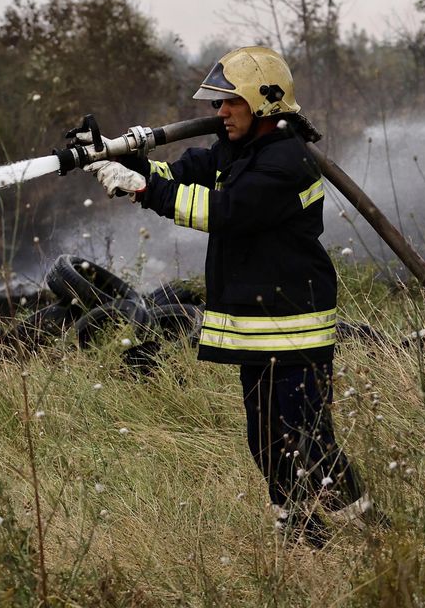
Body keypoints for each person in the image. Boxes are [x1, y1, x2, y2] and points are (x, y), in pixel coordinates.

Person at [85, 46, 374, 546]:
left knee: (308, 439)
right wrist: (123, 159)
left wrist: (140, 189)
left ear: (264, 103)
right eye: (219, 104)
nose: (220, 113)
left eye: (230, 103)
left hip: (295, 320)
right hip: (255, 323)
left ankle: (369, 533)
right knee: (264, 438)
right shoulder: (232, 150)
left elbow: (224, 211)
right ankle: (300, 531)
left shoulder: (286, 162)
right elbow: (177, 175)